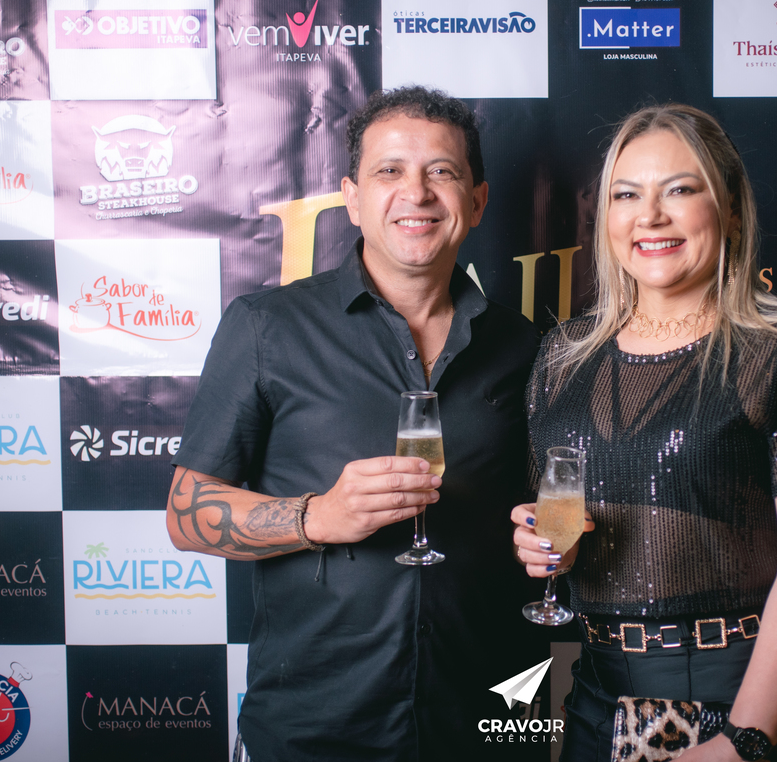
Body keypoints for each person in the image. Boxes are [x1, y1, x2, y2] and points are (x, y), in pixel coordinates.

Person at [167, 86, 541, 761]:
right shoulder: (266, 327)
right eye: (389, 171)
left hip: (491, 727)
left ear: (478, 200)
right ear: (353, 198)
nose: (416, 193)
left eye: (442, 171)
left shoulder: (526, 346)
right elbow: (186, 515)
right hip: (313, 731)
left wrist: (544, 540)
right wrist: (317, 516)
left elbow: (541, 518)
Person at [512, 104, 777, 762]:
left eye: (679, 190)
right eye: (627, 195)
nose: (649, 216)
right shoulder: (563, 354)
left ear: (731, 210)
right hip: (595, 697)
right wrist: (547, 551)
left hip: (735, 698)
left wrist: (744, 740)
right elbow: (563, 529)